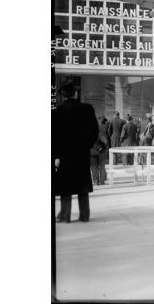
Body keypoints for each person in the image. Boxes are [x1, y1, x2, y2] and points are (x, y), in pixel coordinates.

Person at [53, 81, 99, 223]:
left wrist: (55, 155)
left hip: (65, 155)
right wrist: (87, 145)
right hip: (81, 153)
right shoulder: (87, 108)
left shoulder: (57, 111)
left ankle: (65, 216)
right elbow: (94, 131)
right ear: (76, 93)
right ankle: (84, 215)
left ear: (62, 95)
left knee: (65, 186)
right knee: (82, 185)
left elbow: (53, 136)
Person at [90, 116, 110, 185]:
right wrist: (104, 148)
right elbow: (105, 141)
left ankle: (95, 180)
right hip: (100, 152)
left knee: (93, 166)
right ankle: (102, 180)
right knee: (101, 166)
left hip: (91, 153)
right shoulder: (100, 134)